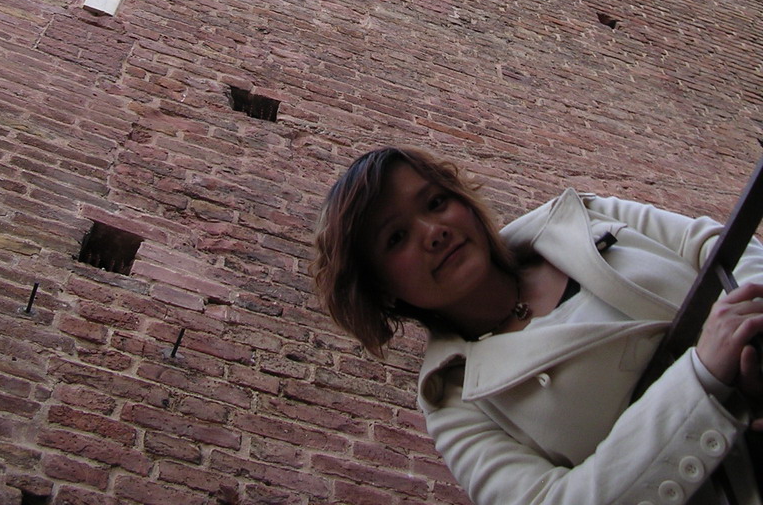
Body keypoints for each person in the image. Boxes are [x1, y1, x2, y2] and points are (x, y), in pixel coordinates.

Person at [313, 146, 763, 505]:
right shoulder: (455, 407)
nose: (433, 231)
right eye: (396, 238)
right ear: (383, 289)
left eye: (436, 202)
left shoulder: (582, 218)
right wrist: (702, 379)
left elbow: (717, 246)